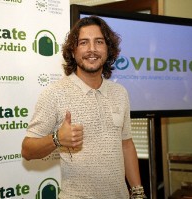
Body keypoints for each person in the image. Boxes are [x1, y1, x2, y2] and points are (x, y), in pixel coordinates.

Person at [21, 15, 146, 199]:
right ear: (73, 51)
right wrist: (57, 138)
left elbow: (126, 144)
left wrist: (137, 192)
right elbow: (27, 150)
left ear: (108, 49)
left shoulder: (120, 93)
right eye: (84, 43)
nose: (92, 49)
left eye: (99, 42)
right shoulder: (54, 93)